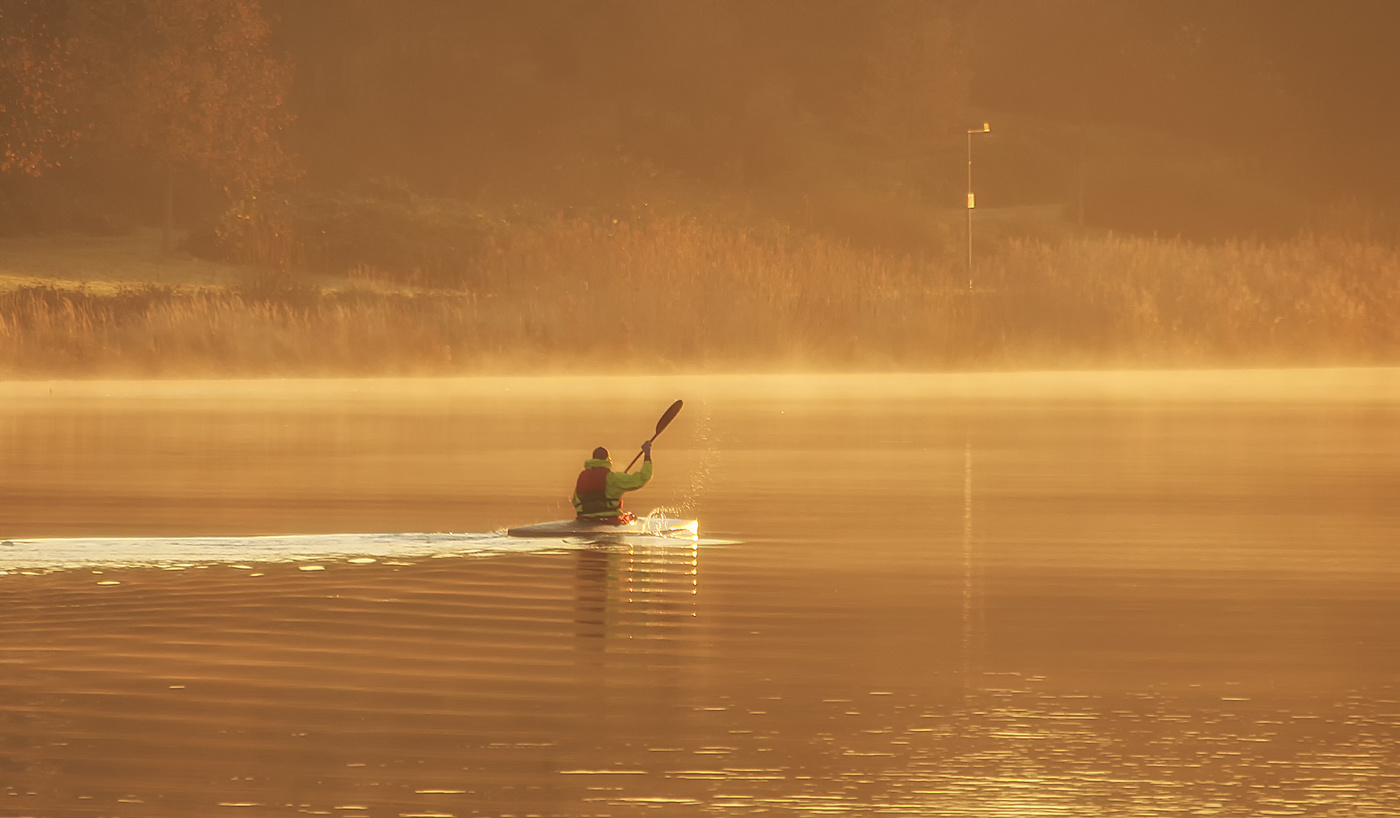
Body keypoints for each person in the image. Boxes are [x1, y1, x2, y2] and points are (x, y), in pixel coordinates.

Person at [572, 442, 652, 523]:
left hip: (583, 520)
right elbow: (643, 477)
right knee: (631, 517)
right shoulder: (614, 478)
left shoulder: (583, 478)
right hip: (609, 520)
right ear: (607, 459)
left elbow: (575, 501)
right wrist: (647, 455)